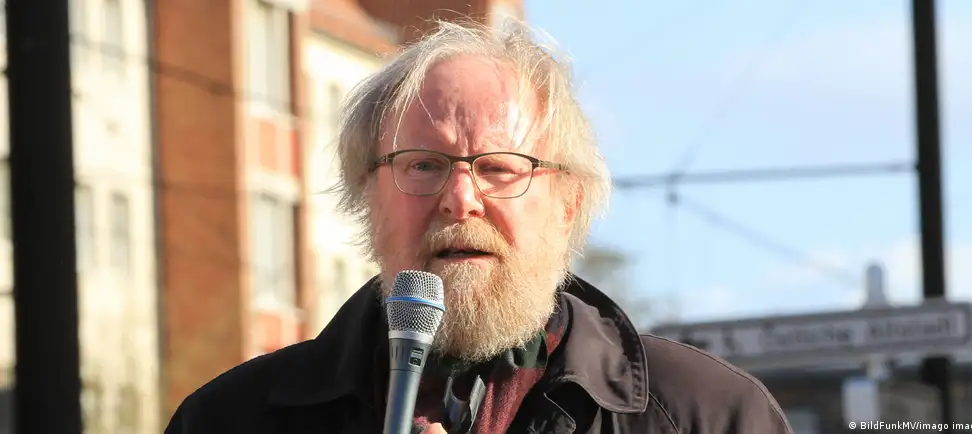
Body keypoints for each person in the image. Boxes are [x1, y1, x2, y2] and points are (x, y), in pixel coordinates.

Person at [165, 19, 795, 434]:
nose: (460, 199)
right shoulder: (229, 419)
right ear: (367, 197)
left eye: (498, 168)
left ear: (569, 202)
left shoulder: (708, 415)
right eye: (423, 165)